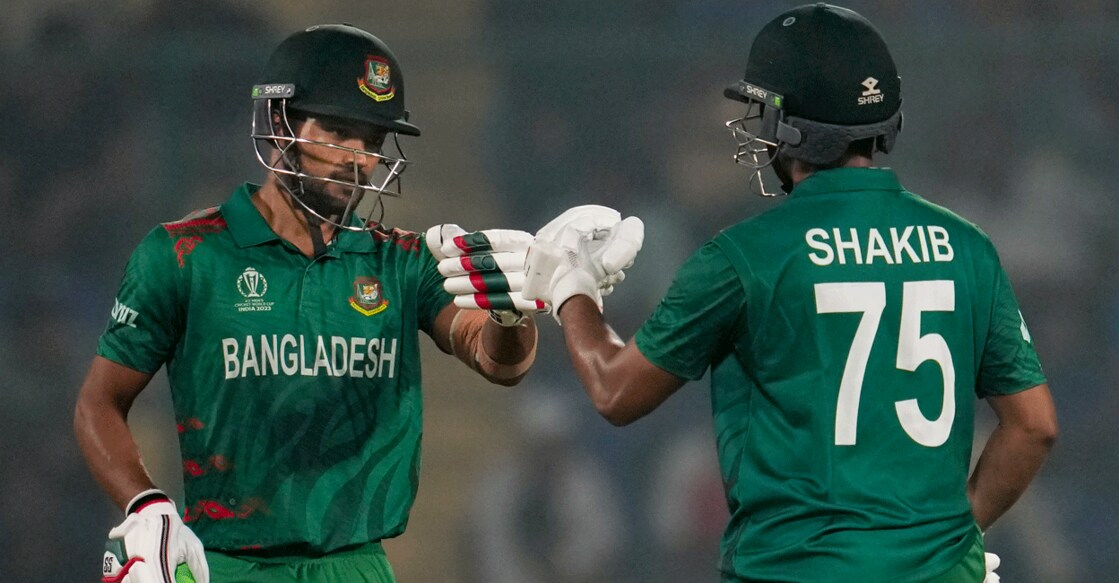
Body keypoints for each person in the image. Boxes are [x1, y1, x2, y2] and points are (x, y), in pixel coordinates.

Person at [523, 4, 1058, 582]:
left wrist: (571, 287)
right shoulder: (966, 245)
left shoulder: (745, 256)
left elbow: (615, 390)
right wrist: (949, 543)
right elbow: (1033, 426)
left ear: (790, 126)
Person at [74, 24, 545, 583]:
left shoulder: (402, 262)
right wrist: (145, 503)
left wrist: (510, 314)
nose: (360, 158)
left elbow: (500, 362)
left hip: (358, 566)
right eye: (340, 131)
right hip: (227, 566)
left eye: (373, 140)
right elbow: (98, 406)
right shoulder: (184, 255)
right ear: (279, 122)